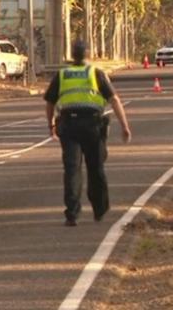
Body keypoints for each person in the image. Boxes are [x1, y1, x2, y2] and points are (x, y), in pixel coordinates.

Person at [44, 40, 132, 227]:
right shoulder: (96, 73)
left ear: (72, 56)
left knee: (72, 170)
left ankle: (72, 214)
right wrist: (124, 125)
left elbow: (50, 102)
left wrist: (50, 123)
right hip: (92, 125)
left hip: (69, 126)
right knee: (96, 168)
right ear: (87, 55)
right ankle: (99, 209)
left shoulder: (62, 75)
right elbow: (114, 99)